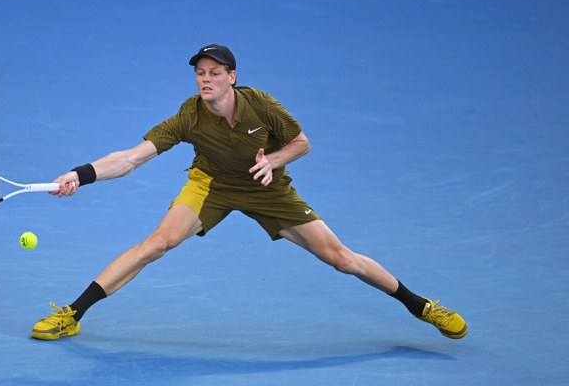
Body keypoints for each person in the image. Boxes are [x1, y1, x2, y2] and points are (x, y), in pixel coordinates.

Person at [32, 44, 468, 341]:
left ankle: (421, 306)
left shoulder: (261, 103)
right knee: (156, 244)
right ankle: (74, 313)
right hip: (212, 185)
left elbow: (302, 143)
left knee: (341, 259)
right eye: (200, 74)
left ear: (231, 77)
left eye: (214, 73)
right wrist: (79, 173)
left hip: (268, 188)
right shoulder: (188, 116)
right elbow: (130, 157)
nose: (205, 80)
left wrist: (273, 161)